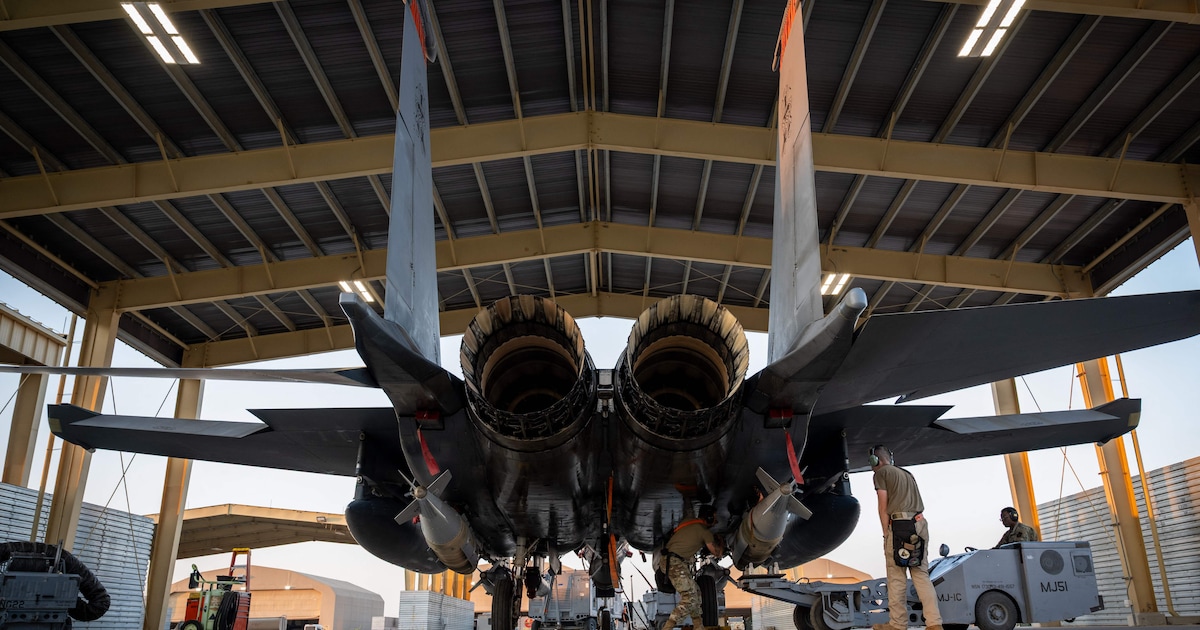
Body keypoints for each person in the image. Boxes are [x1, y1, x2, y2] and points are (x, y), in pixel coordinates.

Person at [870, 445, 943, 630]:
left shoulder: (881, 473)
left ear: (875, 460)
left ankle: (898, 625)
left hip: (900, 526)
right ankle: (934, 623)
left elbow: (883, 506)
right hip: (919, 523)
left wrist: (886, 534)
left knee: (896, 578)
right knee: (921, 575)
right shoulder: (906, 473)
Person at [660, 504, 725, 630]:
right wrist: (721, 542)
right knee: (689, 598)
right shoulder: (705, 532)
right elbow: (717, 553)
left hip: (671, 561)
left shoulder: (688, 521)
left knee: (696, 593)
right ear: (709, 518)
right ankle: (667, 627)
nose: (716, 521)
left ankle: (698, 626)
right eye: (714, 518)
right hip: (674, 563)